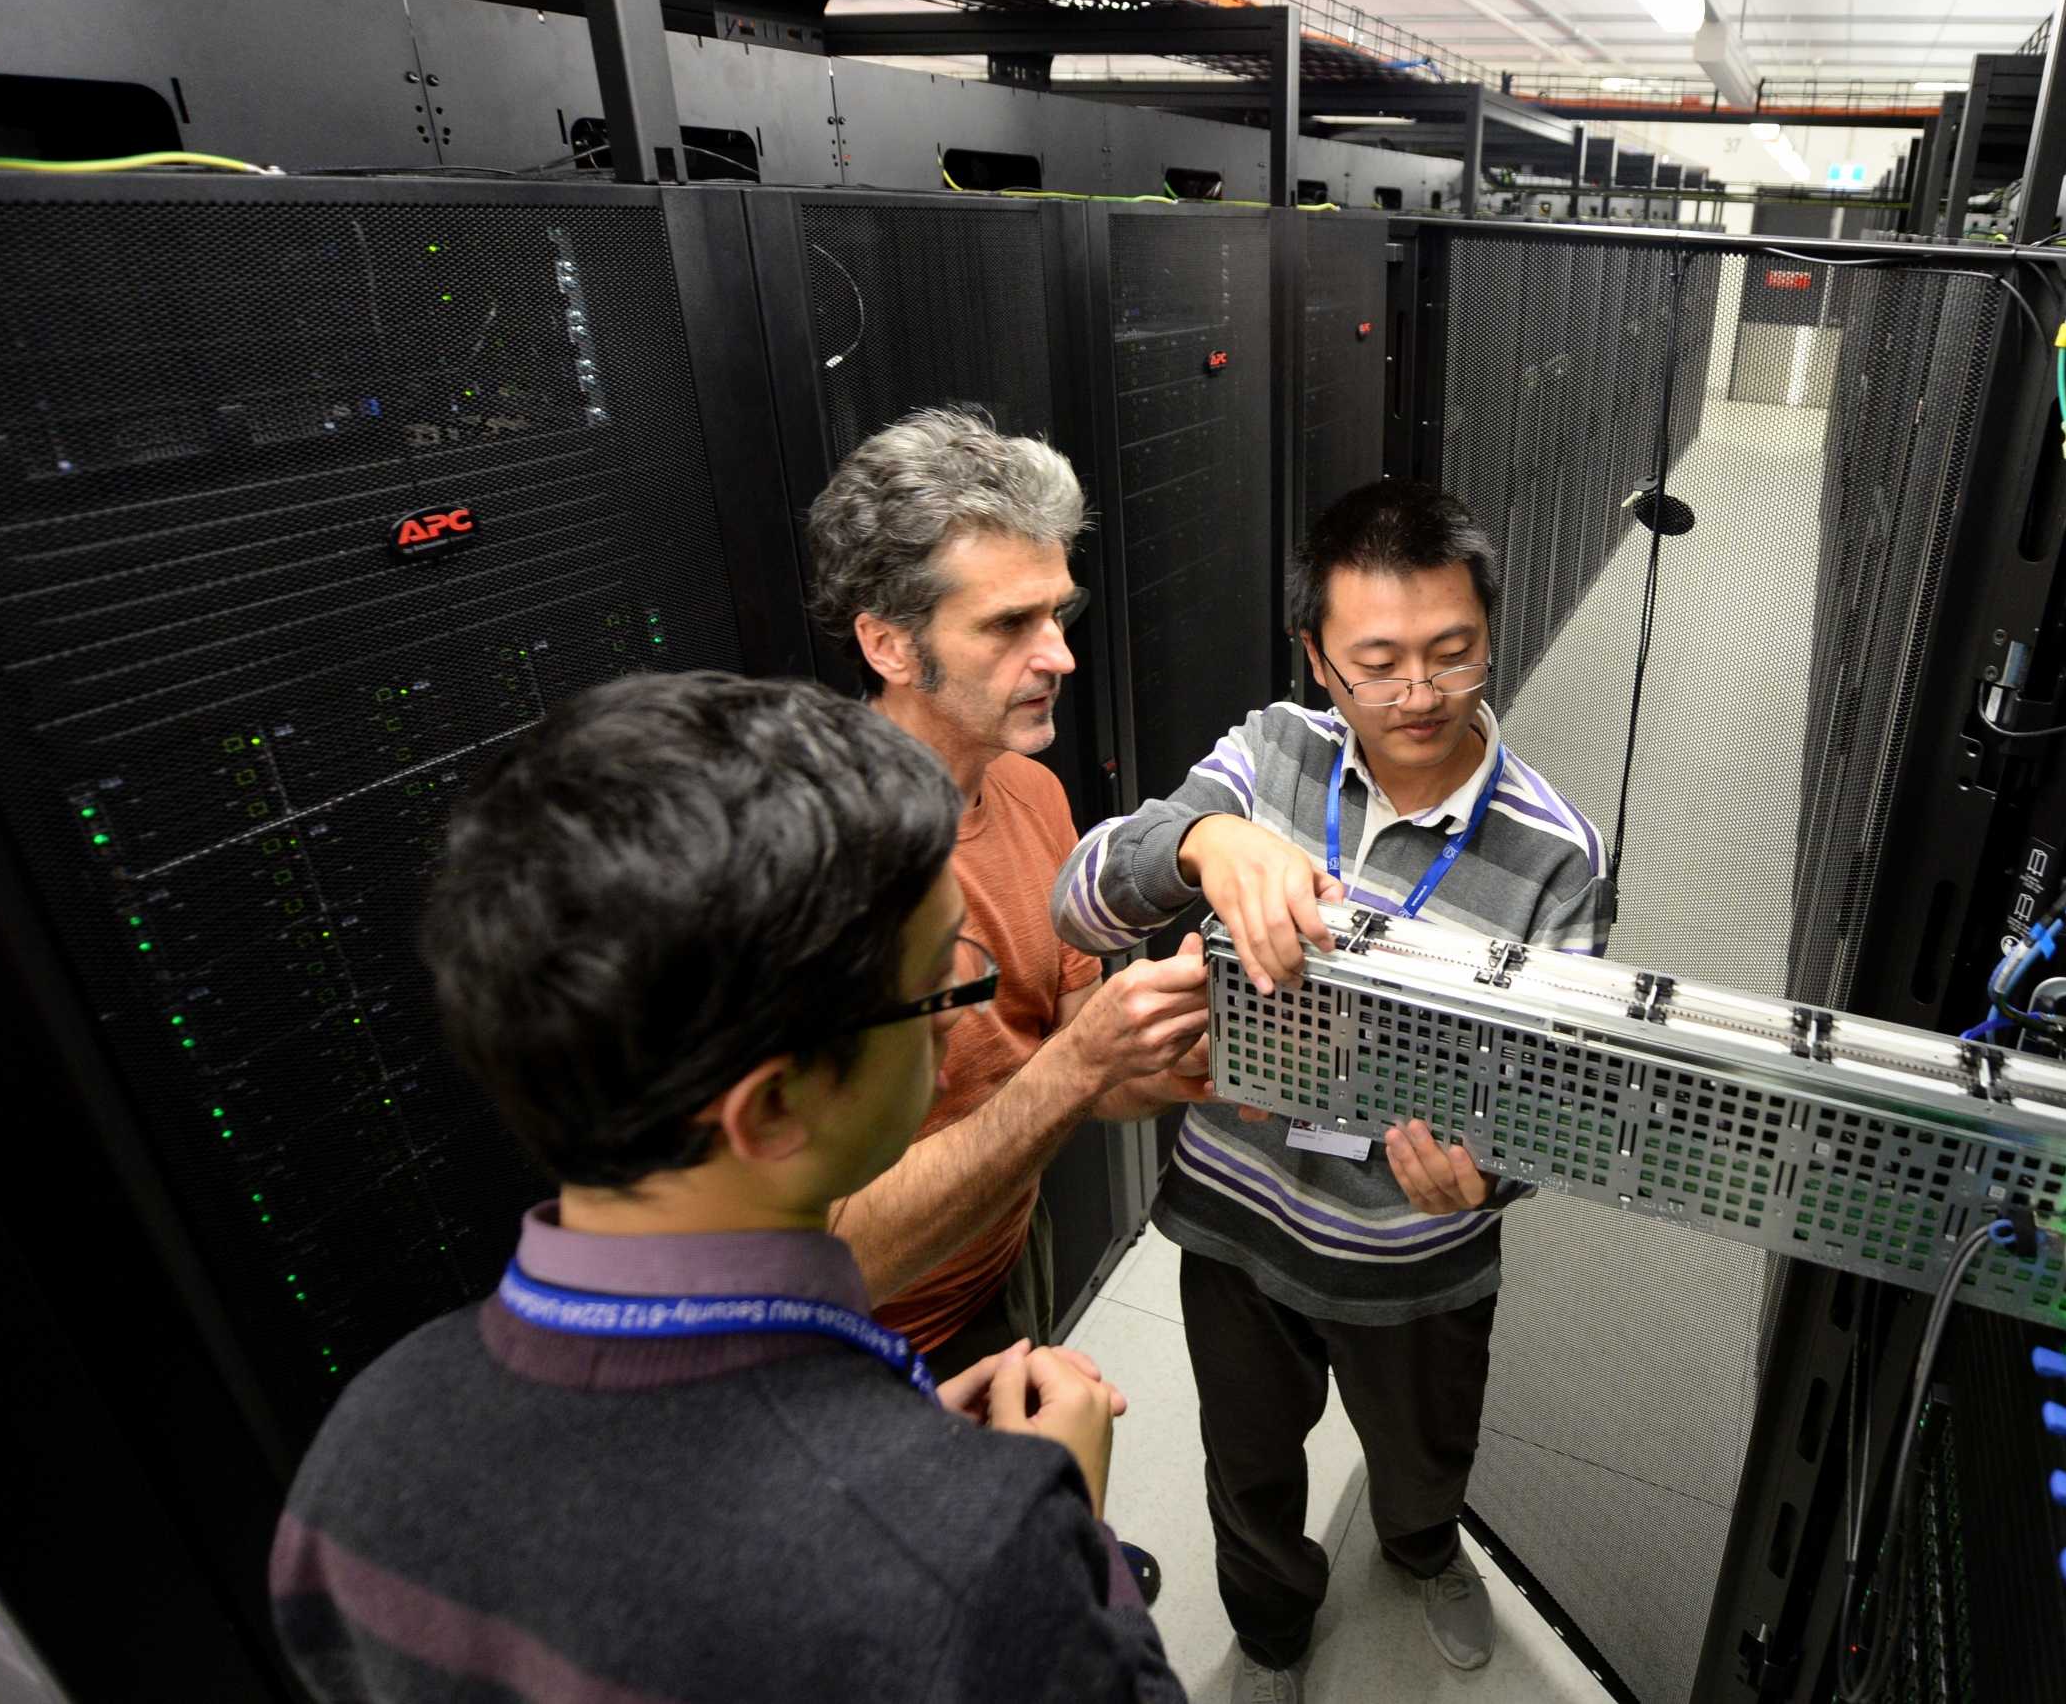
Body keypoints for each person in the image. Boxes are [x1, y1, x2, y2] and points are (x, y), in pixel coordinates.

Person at [271, 672, 1181, 1702]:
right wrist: (1066, 1535)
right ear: (772, 1107)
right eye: (941, 981)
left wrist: (914, 1452)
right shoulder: (979, 1555)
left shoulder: (364, 1442)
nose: (952, 1017)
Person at [1054, 480, 1609, 1704]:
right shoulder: (1266, 760)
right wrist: (1203, 842)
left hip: (1416, 1242)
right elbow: (1080, 895)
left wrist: (1494, 1170)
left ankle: (1421, 1549)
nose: (1417, 695)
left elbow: (1560, 1083)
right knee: (1246, 1468)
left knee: (1423, 1458)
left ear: (1488, 635)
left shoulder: (1557, 849)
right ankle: (1268, 1634)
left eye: (1452, 655)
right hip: (1239, 1224)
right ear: (1316, 655)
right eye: (1377, 662)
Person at [806, 406, 1213, 1384]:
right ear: (889, 645)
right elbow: (830, 1258)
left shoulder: (1030, 789)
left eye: (1056, 615)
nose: (1060, 656)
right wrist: (1076, 1062)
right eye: (1007, 624)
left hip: (999, 1262)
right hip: (850, 1343)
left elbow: (1084, 1064)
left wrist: (1200, 1053)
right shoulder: (819, 870)